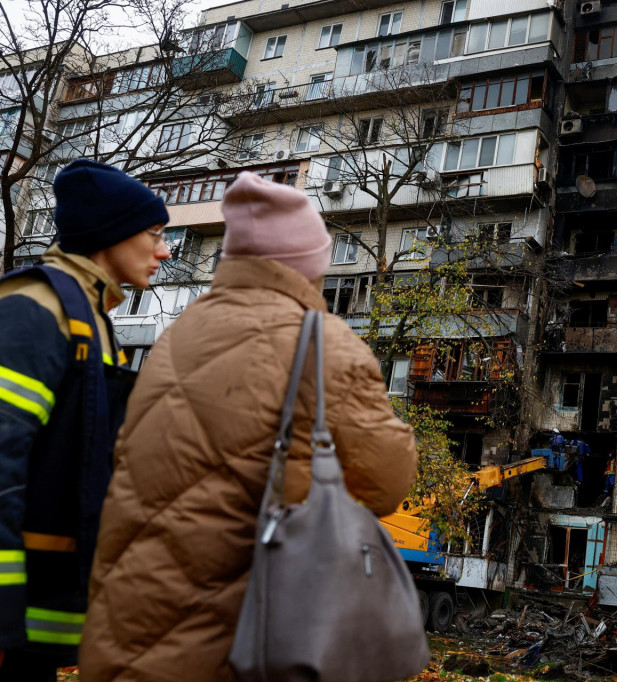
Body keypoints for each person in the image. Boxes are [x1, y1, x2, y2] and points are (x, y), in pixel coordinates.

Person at [79, 172, 419, 682]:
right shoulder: (324, 344)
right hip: (245, 639)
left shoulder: (178, 335)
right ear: (308, 265)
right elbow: (388, 482)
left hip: (131, 626)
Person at [0, 159, 171, 681]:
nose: (165, 251)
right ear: (111, 233)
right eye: (155, 234)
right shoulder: (35, 306)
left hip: (39, 614)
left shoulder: (90, 315)